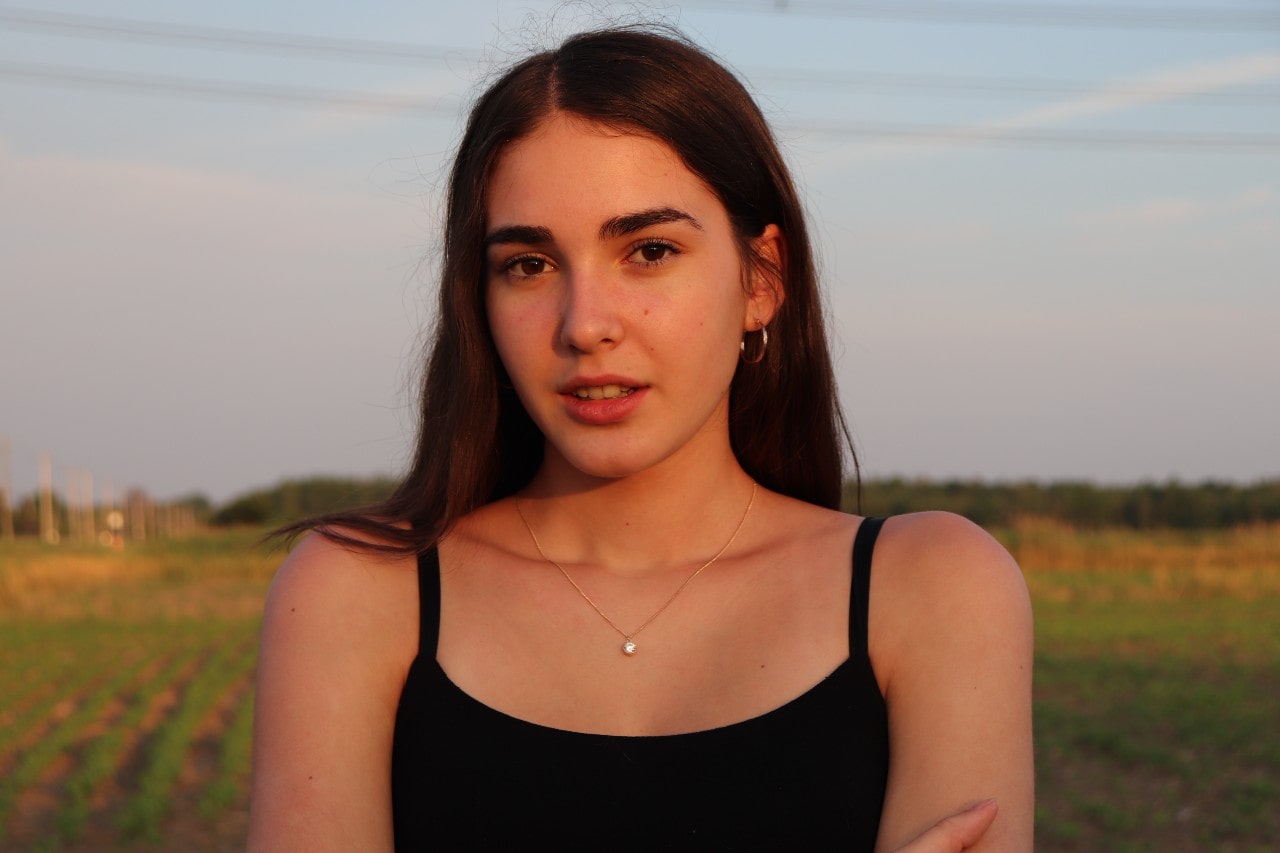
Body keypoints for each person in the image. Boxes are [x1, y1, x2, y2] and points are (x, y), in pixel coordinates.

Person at [248, 25, 1033, 851]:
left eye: (649, 250)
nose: (585, 325)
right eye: (528, 264)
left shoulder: (934, 591)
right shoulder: (356, 595)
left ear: (762, 281)